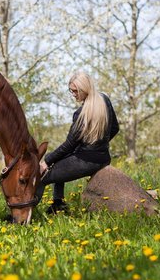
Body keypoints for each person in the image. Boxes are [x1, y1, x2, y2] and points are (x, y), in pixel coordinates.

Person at [37, 72, 119, 214]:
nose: (73, 94)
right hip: (103, 158)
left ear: (85, 89)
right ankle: (58, 203)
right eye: (71, 91)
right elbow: (115, 128)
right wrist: (99, 145)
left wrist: (46, 161)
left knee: (43, 177)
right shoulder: (105, 100)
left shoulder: (81, 113)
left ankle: (23, 215)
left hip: (86, 161)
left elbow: (70, 144)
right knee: (59, 160)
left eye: (75, 91)